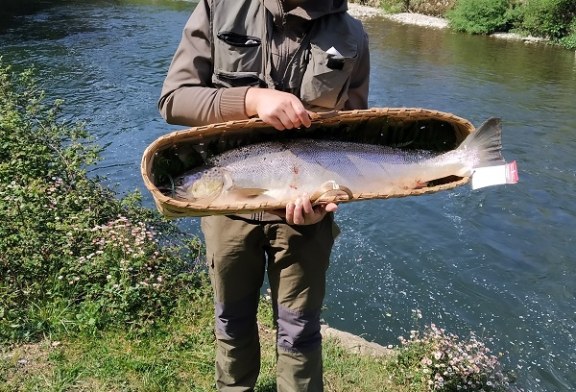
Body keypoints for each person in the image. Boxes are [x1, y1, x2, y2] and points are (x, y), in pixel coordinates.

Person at [158, 1, 370, 390]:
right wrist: (250, 100)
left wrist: (324, 201)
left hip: (308, 221)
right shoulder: (217, 8)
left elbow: (352, 133)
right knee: (232, 322)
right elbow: (174, 99)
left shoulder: (351, 34)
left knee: (299, 332)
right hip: (228, 211)